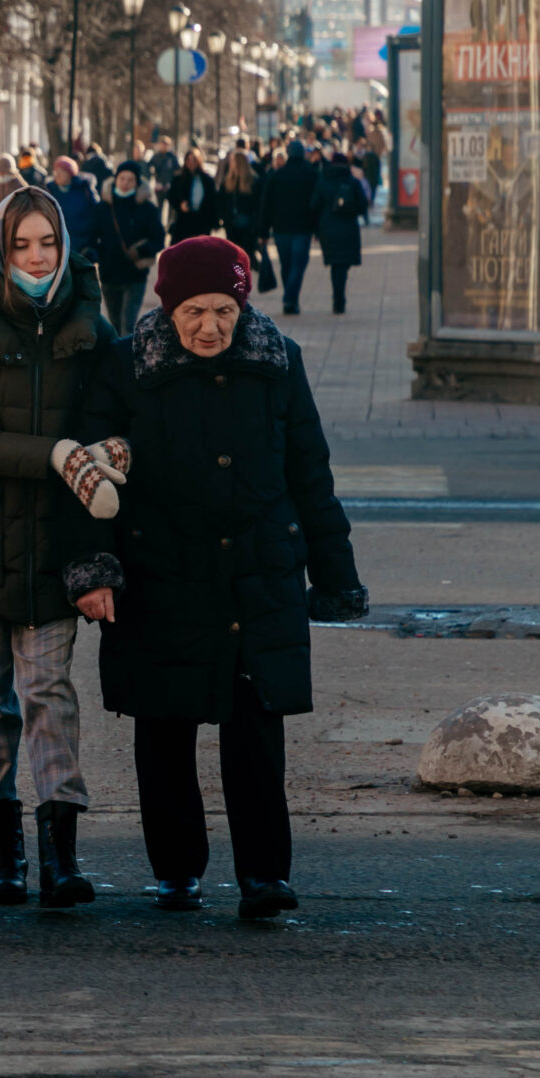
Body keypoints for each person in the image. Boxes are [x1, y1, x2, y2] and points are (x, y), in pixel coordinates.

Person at [82, 237, 365, 920]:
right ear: (166, 306)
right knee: (165, 727)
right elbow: (90, 479)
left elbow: (309, 473)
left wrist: (335, 574)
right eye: (192, 312)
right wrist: (94, 569)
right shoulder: (125, 367)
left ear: (242, 304)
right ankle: (176, 870)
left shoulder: (278, 363)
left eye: (222, 310)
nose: (209, 326)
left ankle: (266, 875)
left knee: (256, 730)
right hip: (161, 571)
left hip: (255, 572)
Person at [0, 187, 120, 911]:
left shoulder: (90, 323)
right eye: (22, 245)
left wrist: (110, 451)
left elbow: (110, 416)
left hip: (52, 544)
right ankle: (5, 851)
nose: (38, 257)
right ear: (1, 249)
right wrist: (54, 453)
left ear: (64, 246)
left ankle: (59, 857)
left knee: (49, 695)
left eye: (48, 243)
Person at [92, 159, 165, 333]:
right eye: (122, 178)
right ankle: (118, 356)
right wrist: (94, 252)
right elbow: (92, 235)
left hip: (135, 274)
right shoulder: (103, 207)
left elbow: (159, 238)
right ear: (115, 179)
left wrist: (141, 250)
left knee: (128, 322)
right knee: (115, 322)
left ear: (137, 183)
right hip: (109, 273)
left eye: (130, 179)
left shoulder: (146, 208)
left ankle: (127, 357)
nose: (125, 183)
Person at [261, 139, 323, 316]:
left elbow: (266, 205)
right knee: (299, 264)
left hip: (280, 228)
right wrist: (318, 228)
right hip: (303, 228)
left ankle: (290, 297)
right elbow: (317, 204)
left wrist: (263, 231)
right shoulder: (311, 174)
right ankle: (291, 298)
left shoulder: (277, 175)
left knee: (286, 264)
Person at [314, 151, 371, 315]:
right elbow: (362, 206)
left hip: (328, 229)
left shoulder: (323, 181)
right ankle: (340, 297)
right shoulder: (353, 182)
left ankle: (337, 297)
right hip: (348, 229)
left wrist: (317, 228)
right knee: (343, 265)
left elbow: (315, 205)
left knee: (335, 264)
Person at [218, 149, 266, 276]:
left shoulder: (253, 181)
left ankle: (243, 284)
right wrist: (224, 217)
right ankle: (239, 284)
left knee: (244, 256)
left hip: (248, 225)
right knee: (234, 257)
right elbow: (221, 201)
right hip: (232, 224)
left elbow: (259, 205)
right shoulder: (228, 182)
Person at [48, 156, 100, 264]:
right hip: (59, 245)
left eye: (61, 172)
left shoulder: (84, 189)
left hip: (83, 246)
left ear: (70, 174)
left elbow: (95, 214)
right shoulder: (50, 191)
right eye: (56, 172)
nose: (57, 175)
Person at [165, 148, 219, 243]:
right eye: (188, 160)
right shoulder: (179, 178)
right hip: (184, 220)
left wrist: (214, 222)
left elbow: (213, 201)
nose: (191, 163)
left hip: (202, 220)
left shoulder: (207, 180)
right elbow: (171, 196)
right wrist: (180, 205)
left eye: (194, 160)